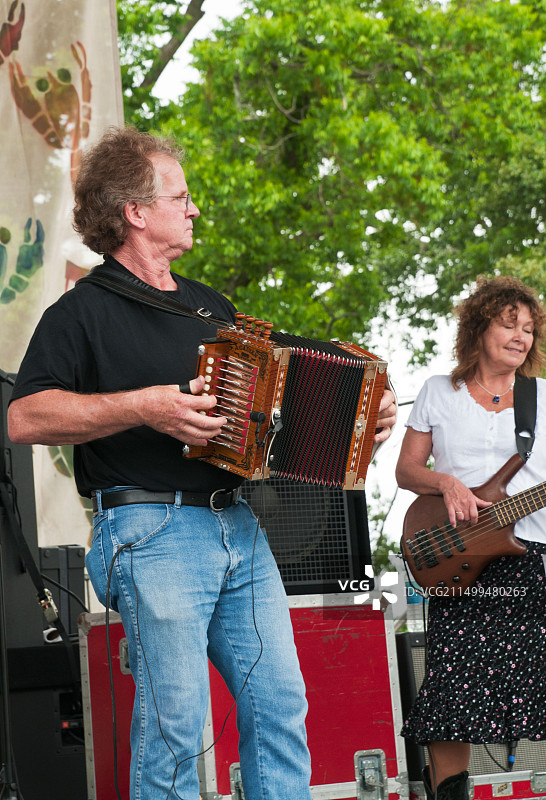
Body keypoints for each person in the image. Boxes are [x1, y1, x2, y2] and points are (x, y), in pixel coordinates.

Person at [7, 126, 397, 800]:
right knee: (175, 728)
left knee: (281, 707)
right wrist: (147, 405)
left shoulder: (208, 305)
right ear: (135, 211)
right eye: (180, 197)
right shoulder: (81, 313)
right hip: (151, 533)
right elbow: (24, 417)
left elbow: (269, 410)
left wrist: (359, 424)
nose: (193, 209)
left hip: (238, 529)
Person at [396, 275, 546, 800]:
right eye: (510, 323)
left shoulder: (543, 398)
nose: (521, 336)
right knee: (450, 702)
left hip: (529, 561)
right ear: (479, 327)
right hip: (457, 562)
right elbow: (406, 471)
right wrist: (447, 482)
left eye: (529, 328)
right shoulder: (439, 391)